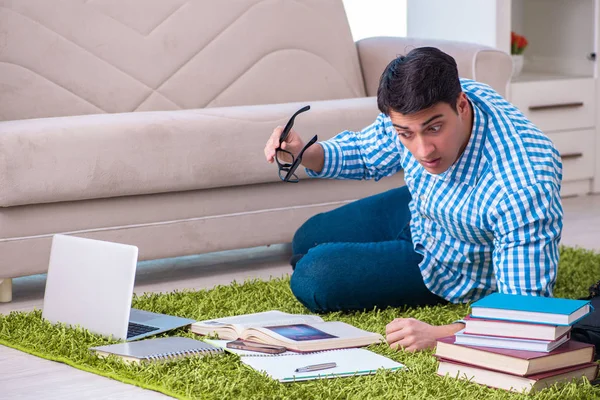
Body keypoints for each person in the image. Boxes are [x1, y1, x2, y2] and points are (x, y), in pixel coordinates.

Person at [263, 47, 563, 352]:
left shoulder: (523, 182)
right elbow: (369, 151)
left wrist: (441, 334)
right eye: (405, 133)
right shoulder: (420, 98)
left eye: (434, 128)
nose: (422, 151)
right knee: (306, 237)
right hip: (422, 210)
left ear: (461, 105)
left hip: (455, 263)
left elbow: (526, 315)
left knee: (314, 277)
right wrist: (306, 154)